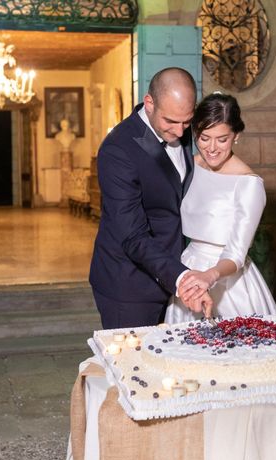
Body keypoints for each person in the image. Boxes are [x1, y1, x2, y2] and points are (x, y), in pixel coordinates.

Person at [89, 67, 212, 329]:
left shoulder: (184, 129)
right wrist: (182, 279)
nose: (181, 132)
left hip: (174, 271)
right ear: (149, 103)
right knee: (131, 366)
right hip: (129, 285)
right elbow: (132, 236)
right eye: (171, 121)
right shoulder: (118, 150)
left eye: (187, 121)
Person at [166, 92, 276, 324]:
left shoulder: (249, 184)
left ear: (236, 136)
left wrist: (209, 276)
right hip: (188, 270)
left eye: (222, 139)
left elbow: (236, 254)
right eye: (204, 138)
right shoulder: (188, 165)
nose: (212, 148)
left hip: (229, 281)